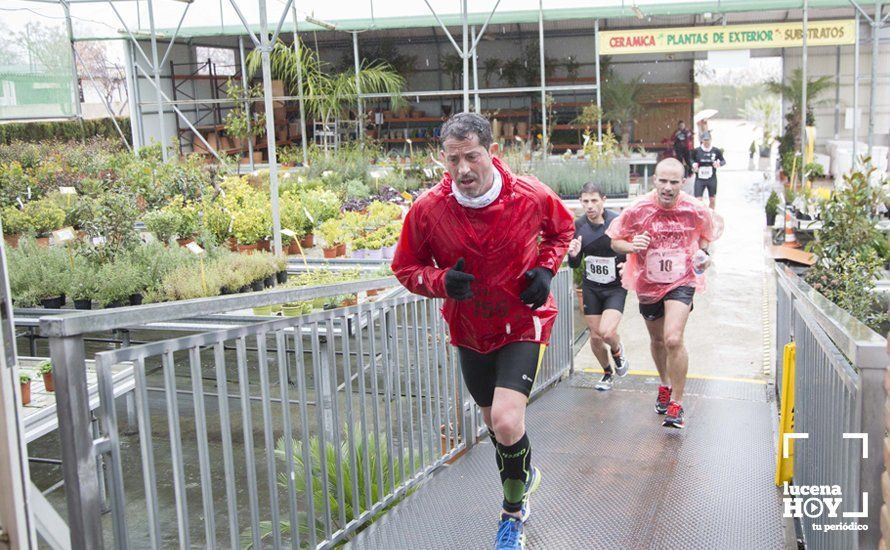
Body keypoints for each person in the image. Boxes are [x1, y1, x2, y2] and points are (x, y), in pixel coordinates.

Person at [392, 112, 574, 550]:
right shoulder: (429, 210)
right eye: (454, 159)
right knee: (496, 425)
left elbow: (561, 230)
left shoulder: (529, 195)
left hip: (523, 321)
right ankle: (523, 472)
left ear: (492, 153)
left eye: (472, 156)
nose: (464, 169)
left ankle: (513, 512)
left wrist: (546, 271)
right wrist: (441, 283)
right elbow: (404, 267)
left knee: (509, 420)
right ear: (443, 159)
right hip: (470, 329)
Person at [607, 158, 722, 429]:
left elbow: (708, 234)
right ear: (654, 181)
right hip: (648, 283)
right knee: (658, 340)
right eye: (663, 181)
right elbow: (615, 241)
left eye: (674, 182)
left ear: (683, 183)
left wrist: (704, 253)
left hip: (682, 280)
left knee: (673, 338)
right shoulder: (638, 209)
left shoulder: (695, 208)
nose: (668, 188)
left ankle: (677, 404)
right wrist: (633, 245)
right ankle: (664, 384)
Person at [567, 182, 629, 391]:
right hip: (591, 287)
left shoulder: (616, 222)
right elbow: (575, 262)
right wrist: (573, 255)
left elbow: (631, 248)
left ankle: (617, 351)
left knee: (607, 333)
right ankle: (607, 373)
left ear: (604, 200)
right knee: (594, 337)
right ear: (580, 202)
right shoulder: (579, 226)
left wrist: (628, 264)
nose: (590, 205)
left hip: (615, 287)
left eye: (594, 200)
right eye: (585, 201)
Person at [692, 132, 725, 209]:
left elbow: (723, 161)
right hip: (700, 179)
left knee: (712, 200)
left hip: (711, 178)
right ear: (702, 141)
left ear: (711, 140)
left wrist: (719, 164)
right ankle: (701, 215)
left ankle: (711, 216)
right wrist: (693, 164)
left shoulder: (716, 150)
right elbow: (690, 159)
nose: (707, 142)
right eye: (705, 140)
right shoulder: (697, 150)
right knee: (698, 200)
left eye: (708, 140)